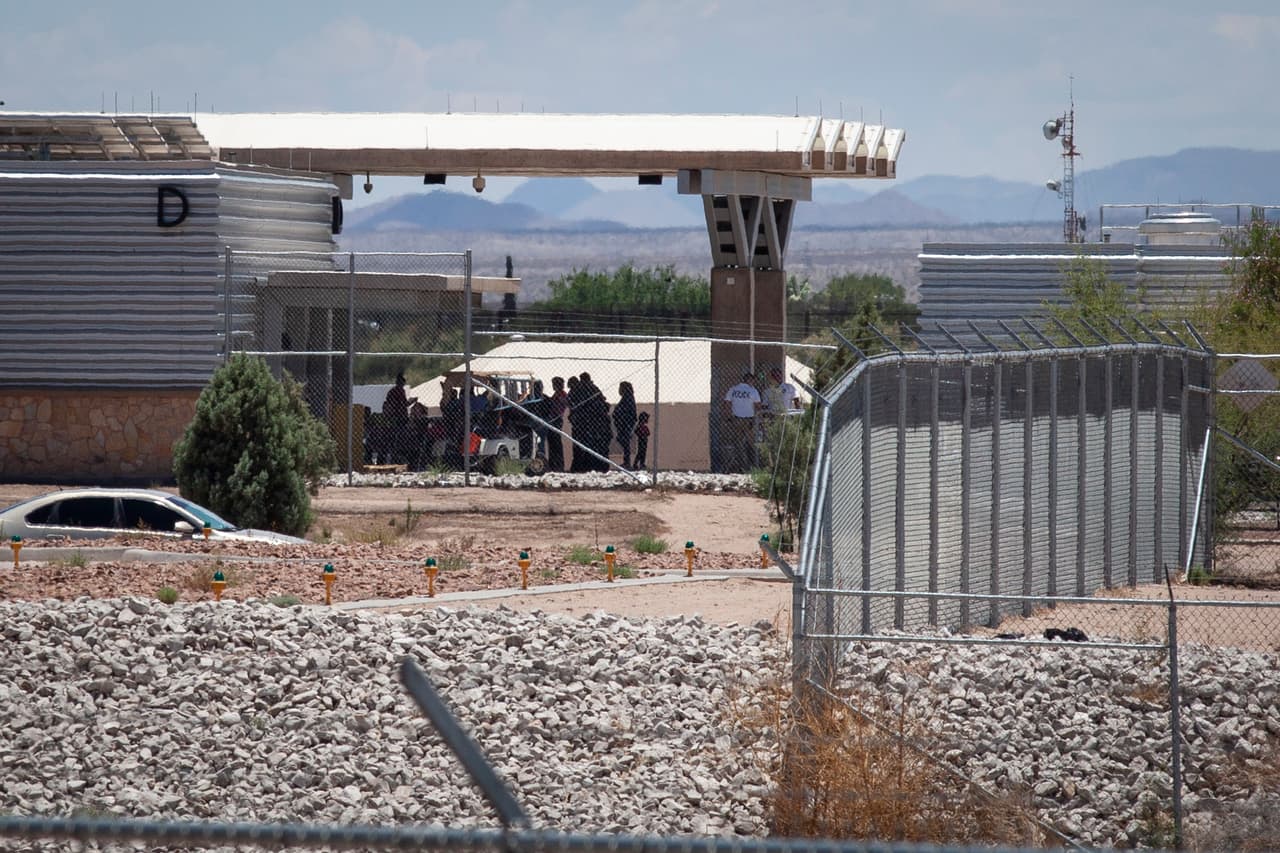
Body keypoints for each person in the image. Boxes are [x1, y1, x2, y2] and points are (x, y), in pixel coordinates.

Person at [722, 372, 761, 472]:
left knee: (738, 443)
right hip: (749, 420)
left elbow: (726, 403)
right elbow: (758, 406)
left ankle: (741, 466)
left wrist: (728, 417)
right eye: (753, 381)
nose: (754, 383)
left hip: (736, 419)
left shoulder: (733, 389)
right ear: (750, 380)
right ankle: (754, 465)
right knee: (752, 442)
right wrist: (758, 418)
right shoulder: (752, 391)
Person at [382, 373, 410, 464]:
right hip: (400, 418)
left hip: (394, 418)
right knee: (399, 438)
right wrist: (411, 401)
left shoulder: (392, 391)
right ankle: (397, 457)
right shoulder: (399, 391)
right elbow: (403, 404)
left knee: (393, 438)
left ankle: (393, 457)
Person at [612, 381, 637, 469]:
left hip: (626, 424)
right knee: (623, 440)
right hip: (623, 424)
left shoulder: (628, 398)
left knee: (625, 441)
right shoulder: (626, 398)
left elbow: (628, 412)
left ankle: (627, 462)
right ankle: (626, 461)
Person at [547, 376, 568, 472]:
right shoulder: (557, 395)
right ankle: (553, 465)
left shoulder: (562, 395)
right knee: (552, 443)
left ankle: (558, 465)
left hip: (556, 420)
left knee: (556, 443)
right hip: (553, 420)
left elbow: (558, 410)